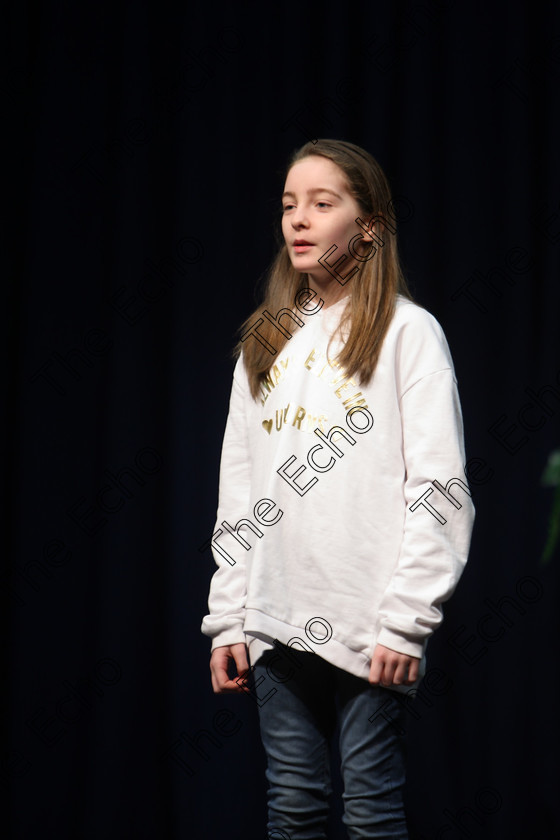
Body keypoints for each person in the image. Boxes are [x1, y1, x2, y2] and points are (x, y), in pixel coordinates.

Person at [201, 139, 475, 840]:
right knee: (292, 808)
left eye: (323, 204)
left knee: (371, 811)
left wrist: (407, 618)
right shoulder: (264, 341)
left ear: (370, 225)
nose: (300, 219)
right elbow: (240, 491)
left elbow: (439, 487)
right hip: (275, 618)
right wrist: (230, 618)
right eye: (291, 205)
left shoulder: (408, 334)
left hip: (367, 623)